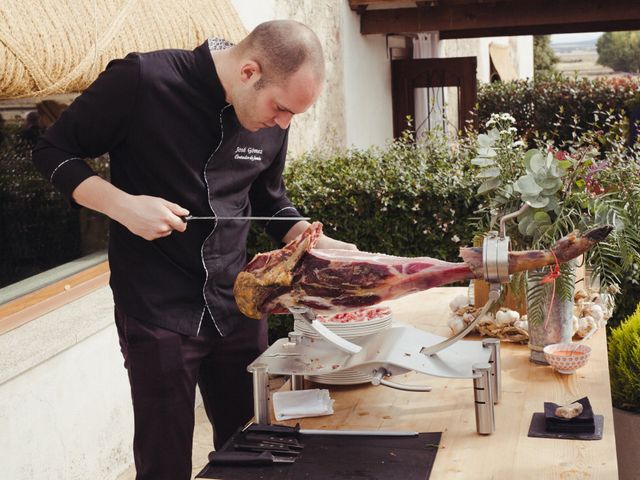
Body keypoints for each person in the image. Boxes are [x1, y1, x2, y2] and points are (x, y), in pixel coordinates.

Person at [33, 19, 356, 480]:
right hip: (156, 307)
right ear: (248, 72)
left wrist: (313, 239)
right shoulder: (143, 80)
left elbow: (268, 199)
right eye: (280, 109)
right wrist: (122, 206)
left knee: (252, 451)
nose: (283, 123)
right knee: (164, 463)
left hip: (238, 304)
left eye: (293, 116)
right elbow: (53, 151)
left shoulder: (272, 114)